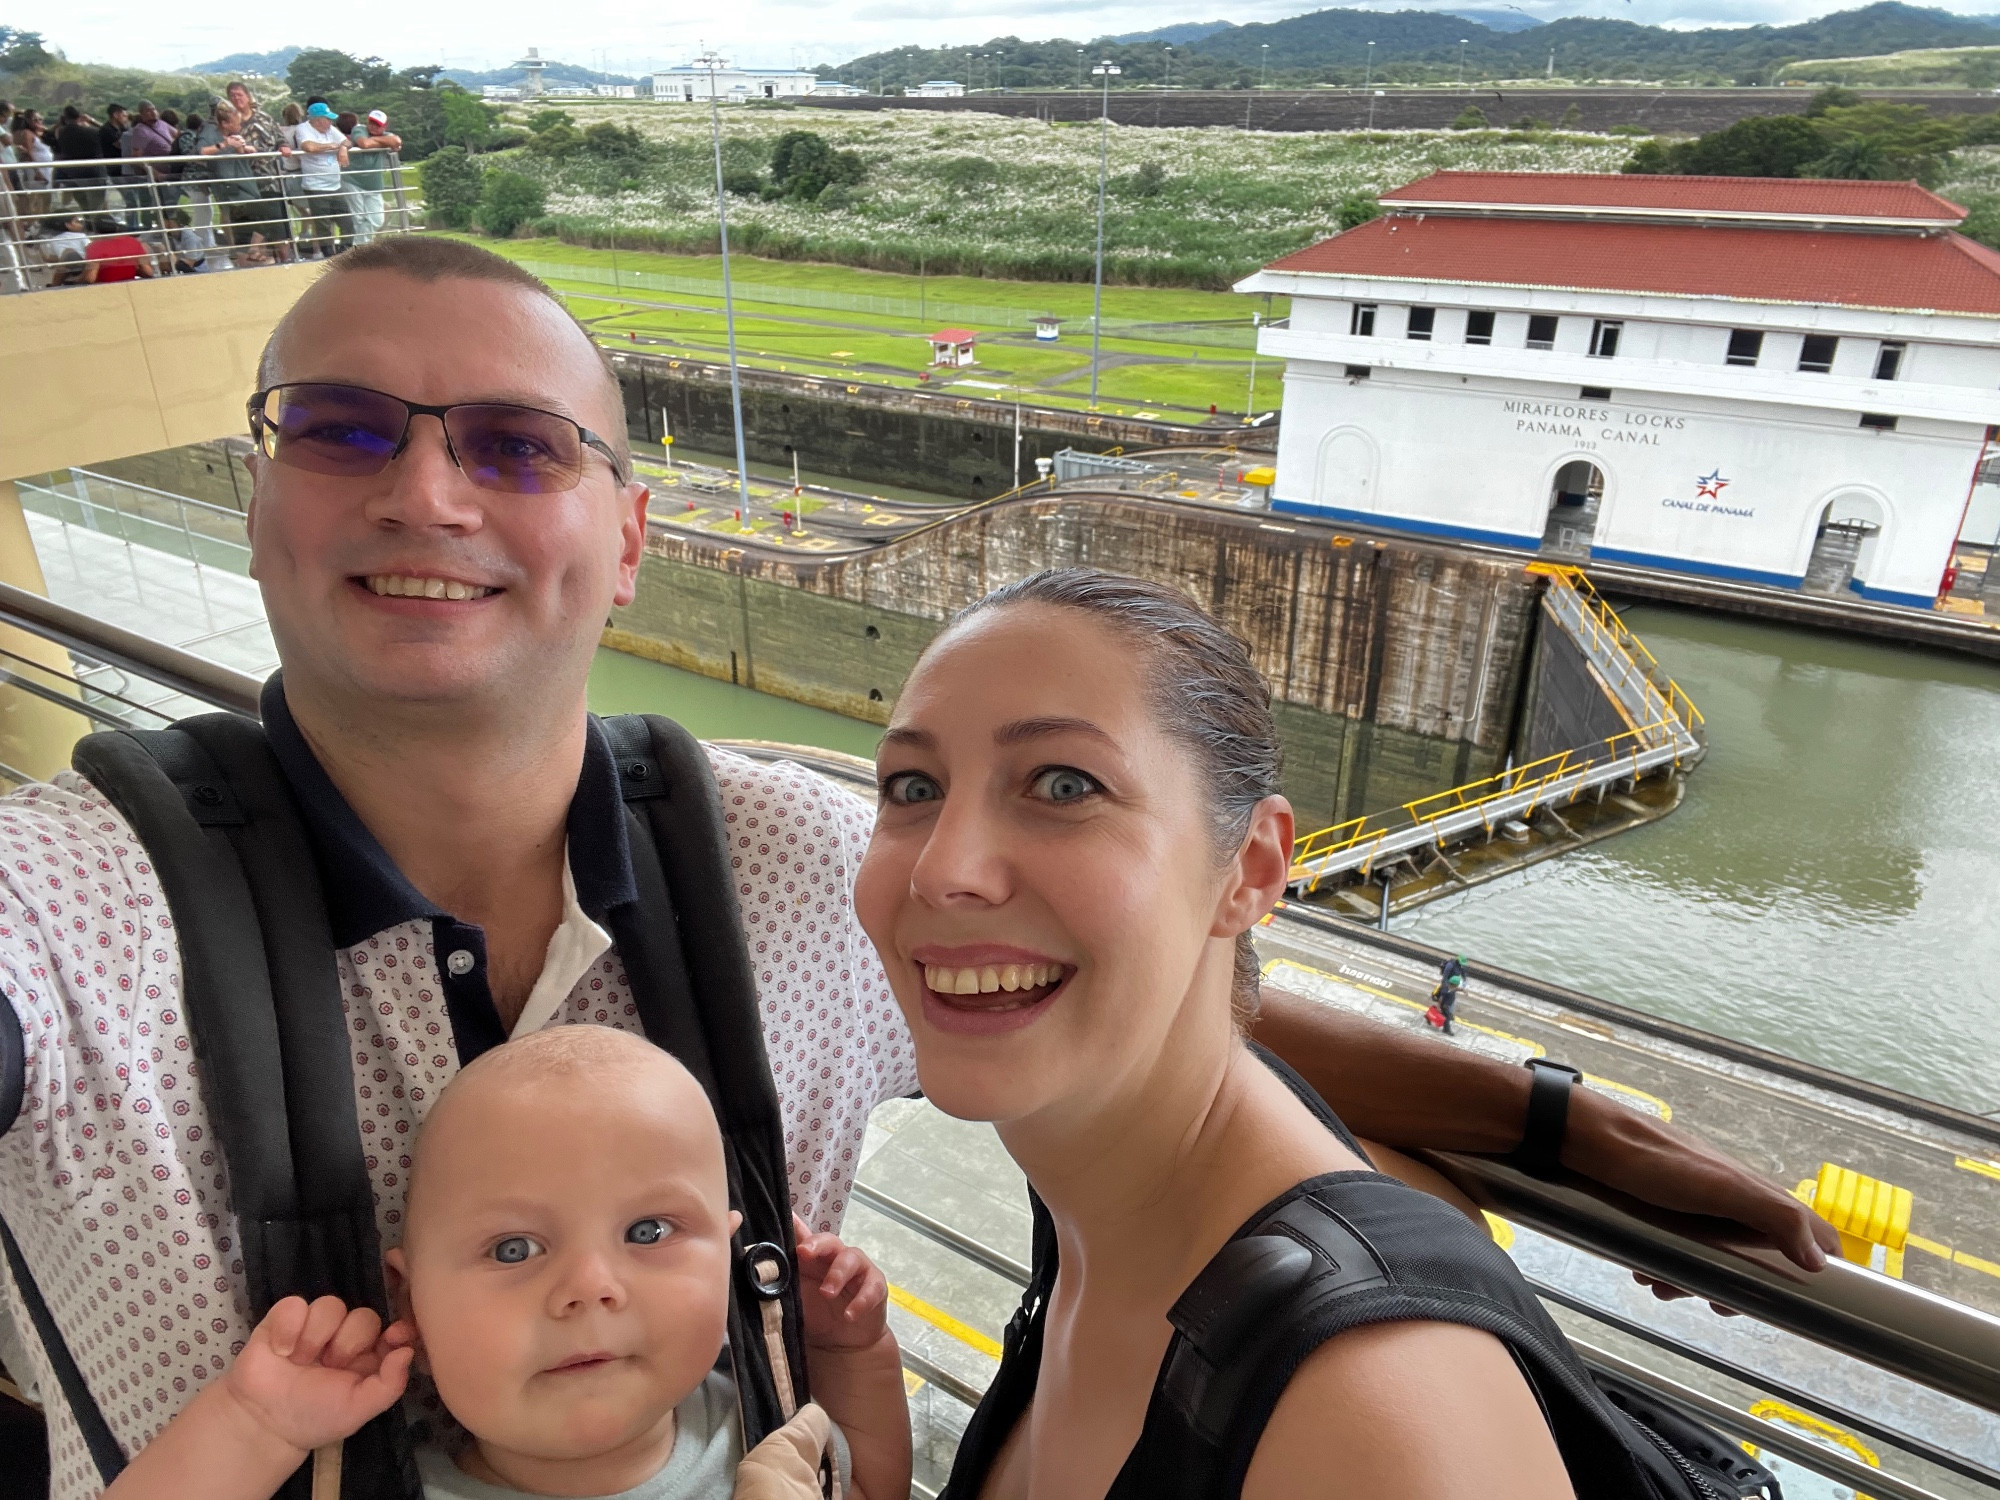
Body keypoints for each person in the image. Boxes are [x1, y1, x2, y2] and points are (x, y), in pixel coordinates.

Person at [0, 236, 1834, 1499]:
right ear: (256, 499)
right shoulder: (71, 906)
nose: (426, 496)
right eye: (339, 430)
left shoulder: (776, 851)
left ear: (630, 538)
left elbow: (1110, 966)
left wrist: (1544, 1117)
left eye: (513, 445)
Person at [97, 1026, 910, 1500]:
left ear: (732, 1253)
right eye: (514, 1249)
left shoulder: (765, 1430)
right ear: (410, 1298)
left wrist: (850, 1351)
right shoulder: (387, 1485)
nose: (592, 1286)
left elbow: (872, 1488)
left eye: (651, 1231)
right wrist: (255, 1426)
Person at [224, 80, 293, 262]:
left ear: (248, 96)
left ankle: (284, 260)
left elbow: (279, 137)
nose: (236, 98)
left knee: (279, 223)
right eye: (232, 96)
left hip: (271, 177)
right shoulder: (230, 122)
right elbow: (228, 146)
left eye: (239, 95)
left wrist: (284, 145)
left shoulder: (264, 117)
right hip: (247, 179)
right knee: (258, 218)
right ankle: (255, 251)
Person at [293, 101, 352, 257]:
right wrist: (332, 146)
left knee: (347, 223)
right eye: (327, 119)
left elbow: (346, 141)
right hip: (316, 186)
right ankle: (329, 257)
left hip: (335, 185)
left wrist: (343, 148)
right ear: (318, 120)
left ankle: (344, 255)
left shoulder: (330, 129)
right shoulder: (303, 129)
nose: (330, 122)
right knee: (323, 226)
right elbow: (309, 147)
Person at [348, 108, 402, 243]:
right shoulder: (359, 129)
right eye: (371, 123)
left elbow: (396, 141)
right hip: (353, 180)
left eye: (377, 125)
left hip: (373, 184)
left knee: (377, 219)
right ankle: (360, 250)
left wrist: (378, 141)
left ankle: (358, 248)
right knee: (359, 218)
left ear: (384, 126)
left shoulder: (388, 134)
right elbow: (364, 144)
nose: (373, 127)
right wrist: (384, 142)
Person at [81, 216, 153, 282]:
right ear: (116, 227)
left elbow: (90, 278)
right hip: (130, 285)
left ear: (95, 231)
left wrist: (78, 280)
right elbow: (148, 272)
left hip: (105, 288)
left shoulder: (94, 247)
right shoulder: (133, 242)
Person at [1427, 953, 1468, 1036]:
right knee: (1446, 1016)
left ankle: (1430, 1017)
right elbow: (1445, 977)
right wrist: (1445, 986)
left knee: (1447, 1009)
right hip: (1447, 987)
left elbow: (1462, 976)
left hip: (1451, 985)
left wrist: (1463, 988)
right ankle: (1446, 1029)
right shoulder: (1450, 966)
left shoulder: (1453, 987)